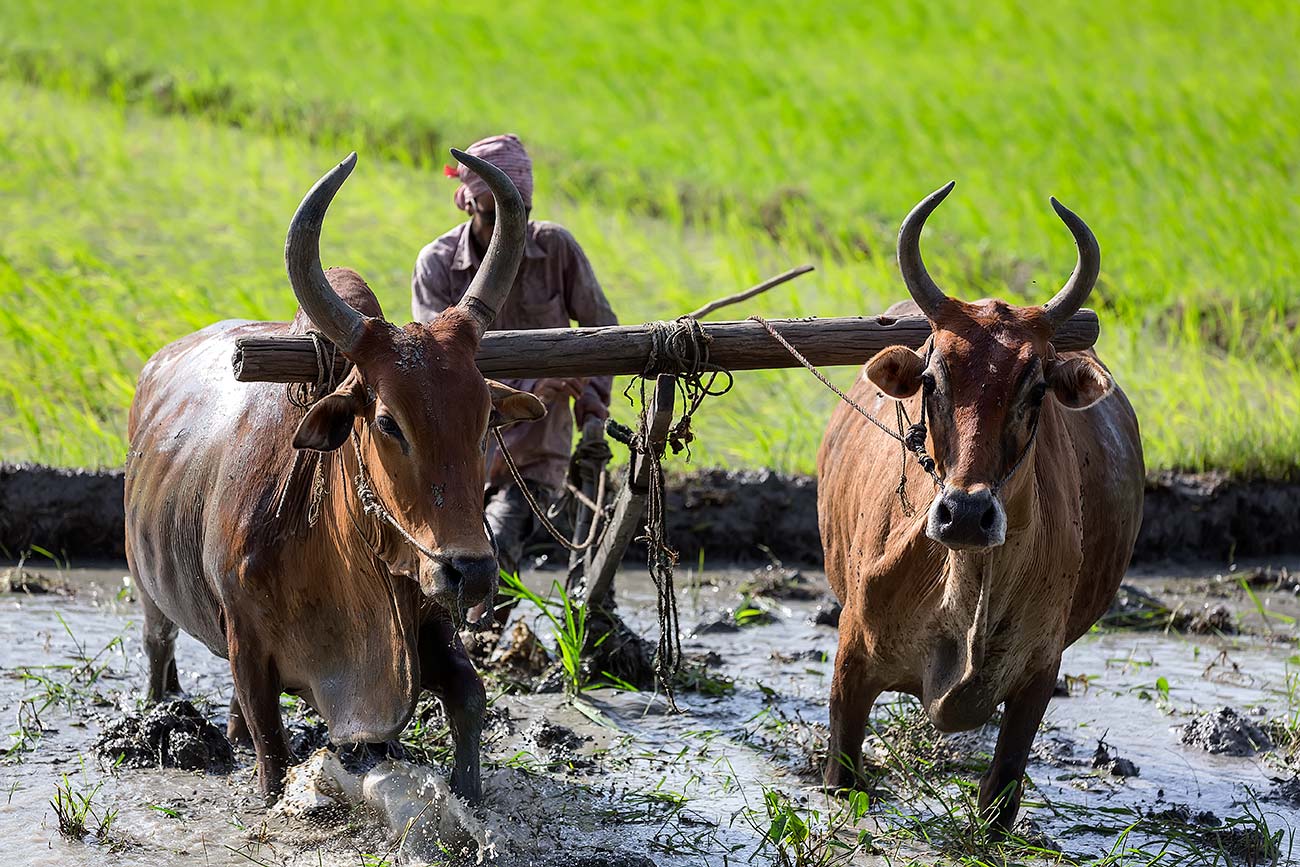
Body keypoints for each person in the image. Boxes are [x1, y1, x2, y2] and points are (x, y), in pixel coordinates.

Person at [412, 134, 618, 614]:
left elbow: (603, 331)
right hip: (456, 452)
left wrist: (590, 404)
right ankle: (465, 653)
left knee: (498, 551)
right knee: (445, 563)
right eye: (496, 215)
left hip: (537, 448)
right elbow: (432, 370)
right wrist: (531, 388)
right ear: (467, 205)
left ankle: (477, 656)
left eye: (520, 213)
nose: (513, 229)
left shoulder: (556, 250)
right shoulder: (437, 265)